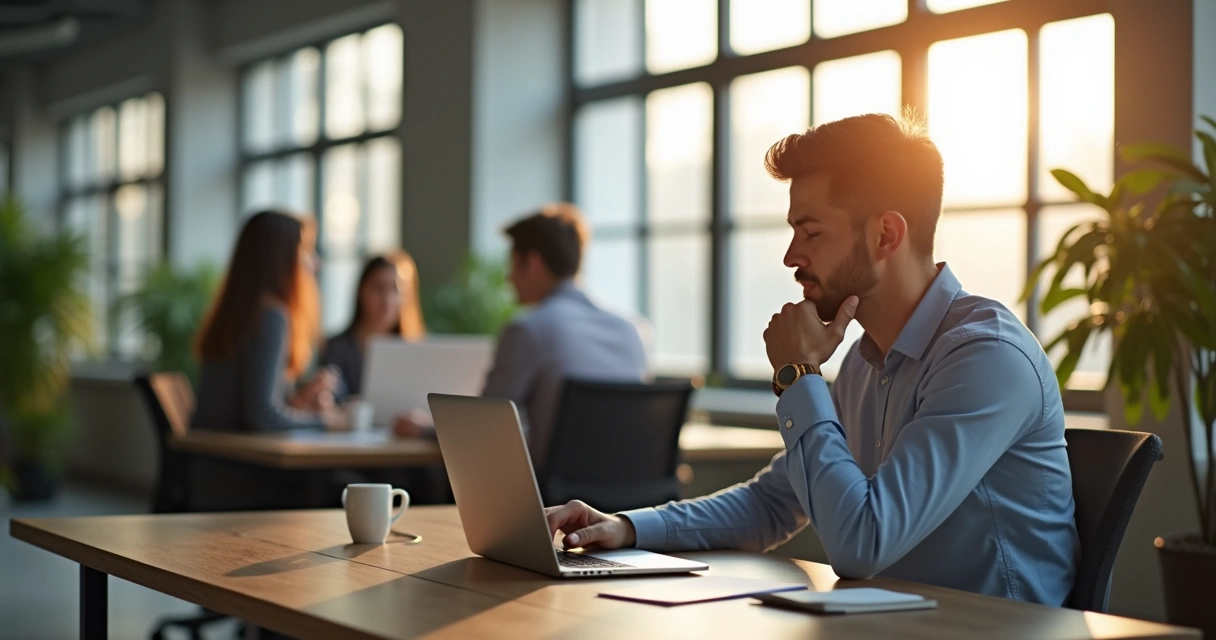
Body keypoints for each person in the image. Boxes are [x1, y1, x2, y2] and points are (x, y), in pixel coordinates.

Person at [544, 113, 1080, 606]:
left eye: (812, 231)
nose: (791, 256)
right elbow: (772, 505)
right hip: (895, 624)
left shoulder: (986, 357)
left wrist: (798, 376)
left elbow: (862, 543)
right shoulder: (866, 363)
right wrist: (625, 528)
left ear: (886, 234)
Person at [396, 204, 649, 471]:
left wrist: (425, 429)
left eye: (513, 265)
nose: (508, 278)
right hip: (629, 504)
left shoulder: (529, 330)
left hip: (556, 505)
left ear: (533, 263)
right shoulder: (632, 331)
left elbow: (484, 427)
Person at [193, 210, 347, 432]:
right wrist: (328, 421)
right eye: (306, 251)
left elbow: (248, 409)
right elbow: (263, 418)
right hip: (238, 462)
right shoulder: (270, 317)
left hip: (210, 457)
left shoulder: (237, 313)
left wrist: (299, 402)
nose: (314, 263)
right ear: (282, 259)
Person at [321, 251, 426, 397]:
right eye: (379, 288)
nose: (387, 300)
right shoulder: (336, 347)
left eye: (396, 290)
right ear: (361, 291)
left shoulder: (417, 350)